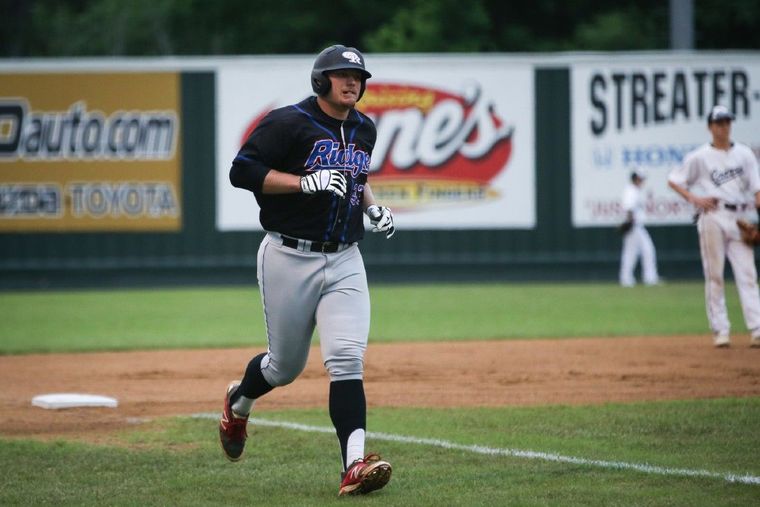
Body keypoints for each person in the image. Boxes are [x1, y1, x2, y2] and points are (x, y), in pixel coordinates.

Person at [221, 44, 394, 496]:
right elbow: (242, 170)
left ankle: (354, 466)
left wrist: (373, 209)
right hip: (288, 256)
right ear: (321, 80)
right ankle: (239, 402)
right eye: (341, 75)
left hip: (344, 258)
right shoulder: (287, 122)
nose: (352, 82)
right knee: (283, 368)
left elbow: (357, 179)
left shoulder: (363, 128)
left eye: (358, 76)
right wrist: (303, 182)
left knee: (347, 359)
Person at [668, 104, 760, 348]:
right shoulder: (700, 156)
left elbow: (757, 190)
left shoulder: (744, 154)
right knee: (715, 275)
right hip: (713, 216)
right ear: (710, 127)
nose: (724, 127)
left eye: (727, 121)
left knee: (748, 274)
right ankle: (721, 330)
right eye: (719, 122)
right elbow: (674, 180)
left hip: (740, 218)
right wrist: (695, 199)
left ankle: (757, 329)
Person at [619, 169, 660, 287]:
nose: (642, 181)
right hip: (634, 226)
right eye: (641, 179)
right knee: (647, 250)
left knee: (632, 252)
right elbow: (629, 208)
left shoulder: (634, 190)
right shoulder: (631, 190)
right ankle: (648, 277)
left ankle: (627, 278)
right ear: (636, 179)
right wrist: (629, 223)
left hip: (635, 226)